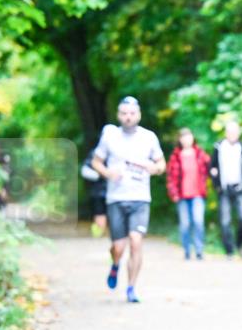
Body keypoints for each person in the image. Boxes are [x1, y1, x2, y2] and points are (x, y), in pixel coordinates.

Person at [91, 96, 165, 303]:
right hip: (116, 198)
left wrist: (154, 168)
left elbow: (161, 165)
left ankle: (131, 288)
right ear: (118, 115)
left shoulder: (149, 137)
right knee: (119, 247)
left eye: (132, 113)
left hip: (140, 198)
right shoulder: (110, 136)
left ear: (138, 114)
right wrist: (107, 173)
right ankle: (115, 264)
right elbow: (96, 162)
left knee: (136, 242)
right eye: (124, 113)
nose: (128, 117)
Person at [209, 121, 242, 258]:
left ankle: (240, 245)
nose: (232, 135)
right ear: (226, 133)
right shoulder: (218, 147)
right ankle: (229, 250)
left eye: (235, 132)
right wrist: (215, 180)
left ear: (238, 133)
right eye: (230, 132)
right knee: (225, 221)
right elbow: (212, 166)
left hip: (240, 189)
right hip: (224, 189)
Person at [166, 128, 211, 260]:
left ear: (192, 138)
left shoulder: (199, 153)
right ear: (180, 139)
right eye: (183, 137)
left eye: (188, 136)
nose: (186, 139)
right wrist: (173, 193)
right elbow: (171, 177)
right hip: (182, 195)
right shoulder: (175, 156)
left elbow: (210, 167)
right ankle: (186, 250)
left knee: (198, 221)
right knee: (185, 224)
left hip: (198, 194)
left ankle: (199, 250)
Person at [81, 149, 108, 238]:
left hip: (116, 192)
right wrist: (100, 175)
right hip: (98, 191)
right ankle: (99, 233)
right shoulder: (96, 153)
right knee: (99, 213)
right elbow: (85, 171)